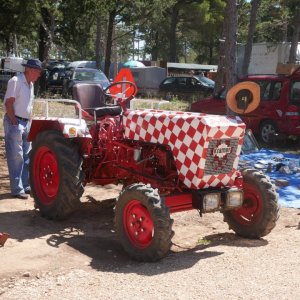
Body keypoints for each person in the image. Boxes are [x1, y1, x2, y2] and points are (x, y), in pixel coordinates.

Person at [3, 58, 42, 199]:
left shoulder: (30, 84)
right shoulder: (16, 81)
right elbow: (8, 103)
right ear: (30, 70)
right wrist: (14, 123)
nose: (39, 75)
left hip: (26, 122)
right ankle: (17, 189)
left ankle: (25, 186)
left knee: (27, 156)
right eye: (38, 72)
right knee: (16, 156)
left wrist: (28, 122)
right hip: (16, 121)